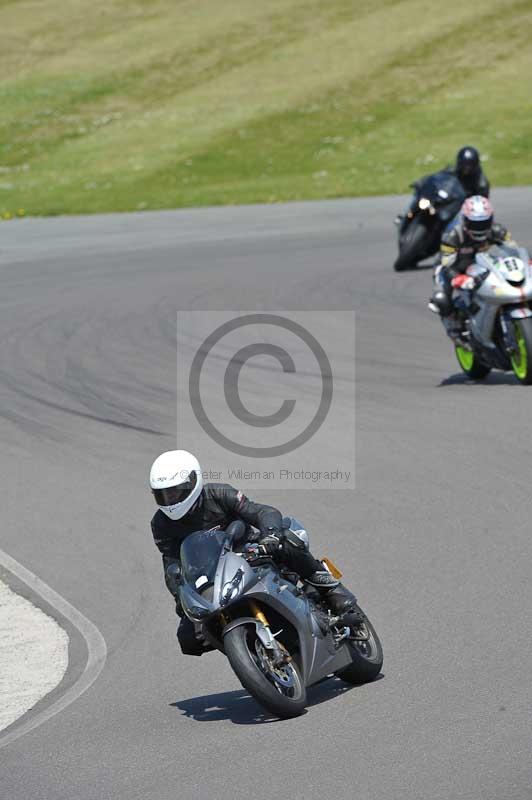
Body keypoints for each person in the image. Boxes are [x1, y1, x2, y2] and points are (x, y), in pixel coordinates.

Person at [150, 450, 359, 656]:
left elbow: (262, 512)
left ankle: (331, 589)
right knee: (188, 638)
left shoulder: (219, 494)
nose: (169, 500)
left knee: (287, 541)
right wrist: (181, 597)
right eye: (163, 494)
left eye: (174, 492)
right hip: (212, 574)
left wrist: (270, 537)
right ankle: (249, 651)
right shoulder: (160, 524)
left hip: (250, 552)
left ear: (192, 482)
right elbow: (171, 564)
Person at [429, 195, 514, 317]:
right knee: (441, 300)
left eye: (484, 222)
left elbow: (513, 251)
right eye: (474, 224)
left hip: (479, 264)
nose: (480, 228)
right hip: (451, 268)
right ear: (464, 220)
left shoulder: (498, 230)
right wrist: (458, 278)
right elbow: (446, 265)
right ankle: (454, 322)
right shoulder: (452, 235)